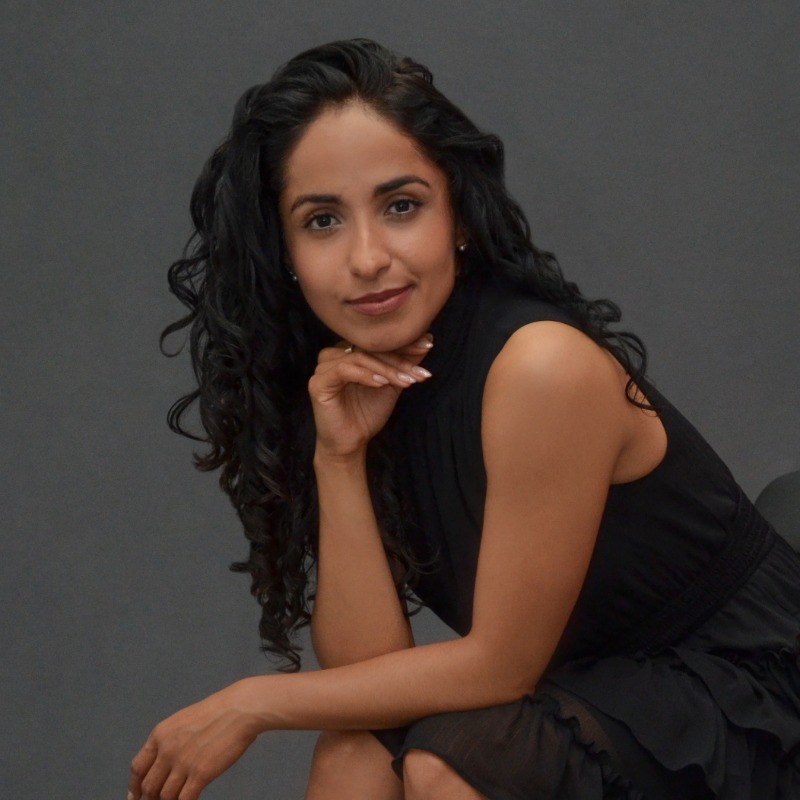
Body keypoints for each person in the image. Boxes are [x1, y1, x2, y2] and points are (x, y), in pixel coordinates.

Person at [129, 38, 800, 800]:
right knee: (355, 753)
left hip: (752, 700)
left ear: (459, 216)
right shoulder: (363, 379)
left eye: (401, 206)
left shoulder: (538, 367)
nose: (368, 258)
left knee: (449, 764)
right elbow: (367, 681)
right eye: (322, 221)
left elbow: (500, 668)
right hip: (605, 692)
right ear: (283, 252)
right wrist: (339, 458)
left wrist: (250, 703)